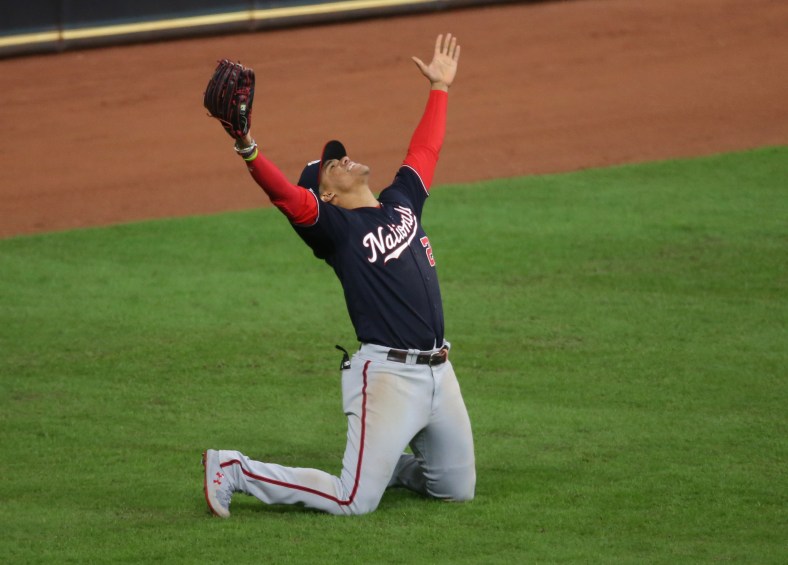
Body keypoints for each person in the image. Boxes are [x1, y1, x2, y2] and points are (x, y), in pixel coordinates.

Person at [203, 33, 475, 517]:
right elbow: (285, 196)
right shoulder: (335, 230)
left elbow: (425, 151)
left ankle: (383, 462)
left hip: (440, 371)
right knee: (353, 500)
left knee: (456, 489)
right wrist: (248, 147)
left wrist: (440, 89)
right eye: (333, 164)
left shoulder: (400, 201)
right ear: (325, 194)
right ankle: (236, 469)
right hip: (388, 376)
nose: (343, 158)